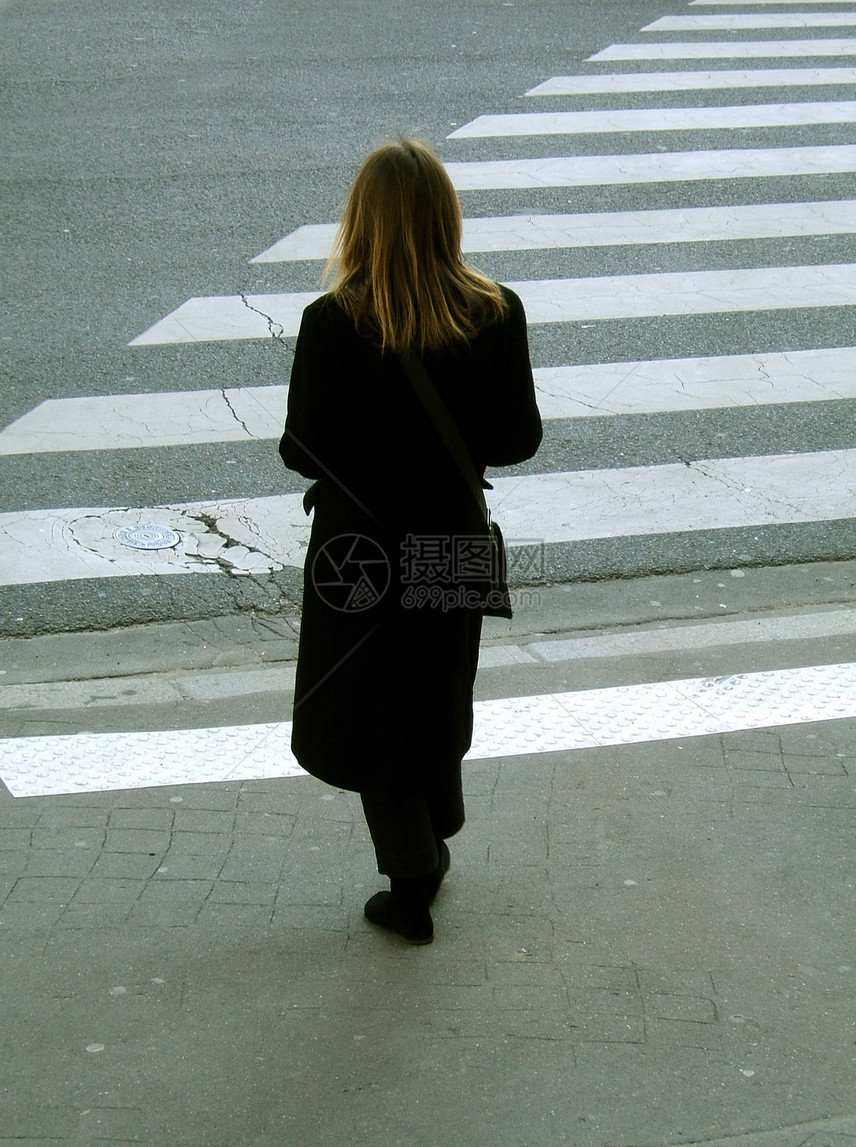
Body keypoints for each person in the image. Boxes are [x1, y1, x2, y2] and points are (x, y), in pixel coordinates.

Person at [279, 137, 542, 944]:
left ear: (362, 222)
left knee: (370, 710)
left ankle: (410, 881)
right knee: (436, 692)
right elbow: (518, 437)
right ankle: (435, 839)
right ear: (445, 218)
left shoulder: (332, 321)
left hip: (360, 550)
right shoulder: (495, 309)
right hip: (452, 538)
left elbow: (301, 448)